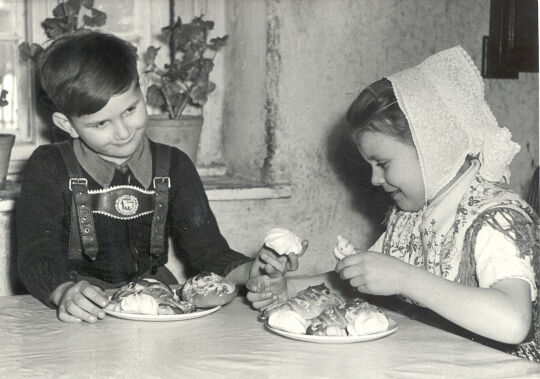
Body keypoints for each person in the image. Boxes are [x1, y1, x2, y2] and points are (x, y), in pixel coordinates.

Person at [253, 46, 539, 362]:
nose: (375, 180)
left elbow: (513, 322)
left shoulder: (495, 217)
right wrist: (286, 288)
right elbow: (357, 278)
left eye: (383, 163)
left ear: (430, 149)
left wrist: (404, 278)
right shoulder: (410, 214)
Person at [16, 31, 300, 323]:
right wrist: (63, 291)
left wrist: (253, 271)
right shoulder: (48, 166)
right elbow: (37, 253)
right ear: (68, 125)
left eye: (130, 109)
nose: (124, 132)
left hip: (156, 303)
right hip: (84, 307)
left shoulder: (174, 166)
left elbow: (209, 253)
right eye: (101, 123)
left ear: (143, 91)